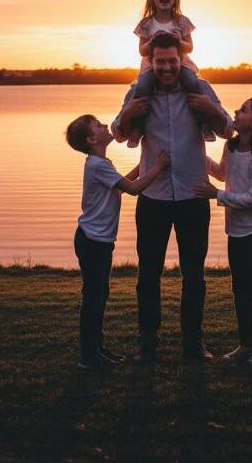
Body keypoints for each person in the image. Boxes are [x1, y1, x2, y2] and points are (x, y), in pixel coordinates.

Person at [112, 33, 233, 363]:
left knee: (194, 276)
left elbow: (227, 129)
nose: (167, 67)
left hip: (194, 195)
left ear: (182, 61)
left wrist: (210, 107)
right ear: (151, 62)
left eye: (172, 61)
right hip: (153, 197)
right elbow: (119, 133)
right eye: (160, 62)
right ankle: (147, 345)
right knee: (147, 275)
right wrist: (125, 115)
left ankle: (194, 344)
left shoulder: (201, 89)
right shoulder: (139, 91)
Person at [66, 114, 170, 370]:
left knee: (99, 296)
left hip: (97, 240)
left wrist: (145, 166)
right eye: (99, 126)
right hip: (93, 241)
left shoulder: (100, 163)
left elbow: (122, 185)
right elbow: (134, 189)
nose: (105, 126)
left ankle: (96, 350)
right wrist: (158, 167)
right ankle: (88, 357)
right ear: (92, 139)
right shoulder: (98, 165)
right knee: (94, 298)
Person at [194, 98, 252, 365]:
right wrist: (199, 156)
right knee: (239, 289)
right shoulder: (230, 147)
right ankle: (245, 345)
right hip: (236, 230)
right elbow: (222, 174)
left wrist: (216, 195)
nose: (235, 112)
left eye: (243, 110)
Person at [127, 0, 213, 147]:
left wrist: (178, 40)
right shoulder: (147, 23)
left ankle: (204, 124)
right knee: (142, 88)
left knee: (193, 83)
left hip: (179, 63)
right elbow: (141, 51)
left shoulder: (181, 21)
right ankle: (136, 129)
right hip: (152, 66)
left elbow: (189, 47)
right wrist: (152, 42)